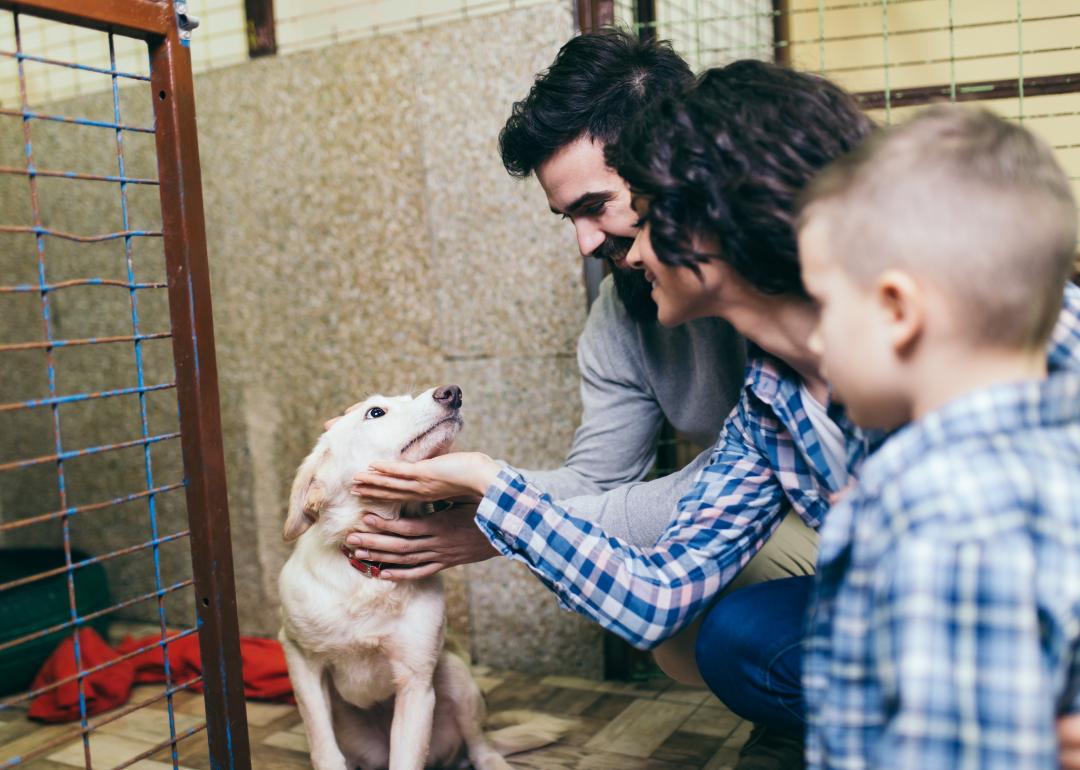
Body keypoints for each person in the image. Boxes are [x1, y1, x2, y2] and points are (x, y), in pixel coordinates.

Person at [349, 62, 1080, 768]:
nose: (616, 247)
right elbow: (657, 592)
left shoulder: (994, 351)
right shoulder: (771, 401)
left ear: (707, 213)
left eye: (635, 212)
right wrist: (491, 487)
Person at [336, 32, 816, 688]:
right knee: (687, 633)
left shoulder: (826, 314)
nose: (587, 244)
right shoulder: (724, 372)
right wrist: (477, 494)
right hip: (789, 523)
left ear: (679, 170)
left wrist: (497, 515)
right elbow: (619, 510)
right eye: (568, 218)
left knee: (736, 622)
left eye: (601, 208)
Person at [795, 104, 1080, 769]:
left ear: (898, 310)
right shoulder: (1060, 454)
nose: (814, 339)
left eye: (824, 306)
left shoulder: (946, 517)